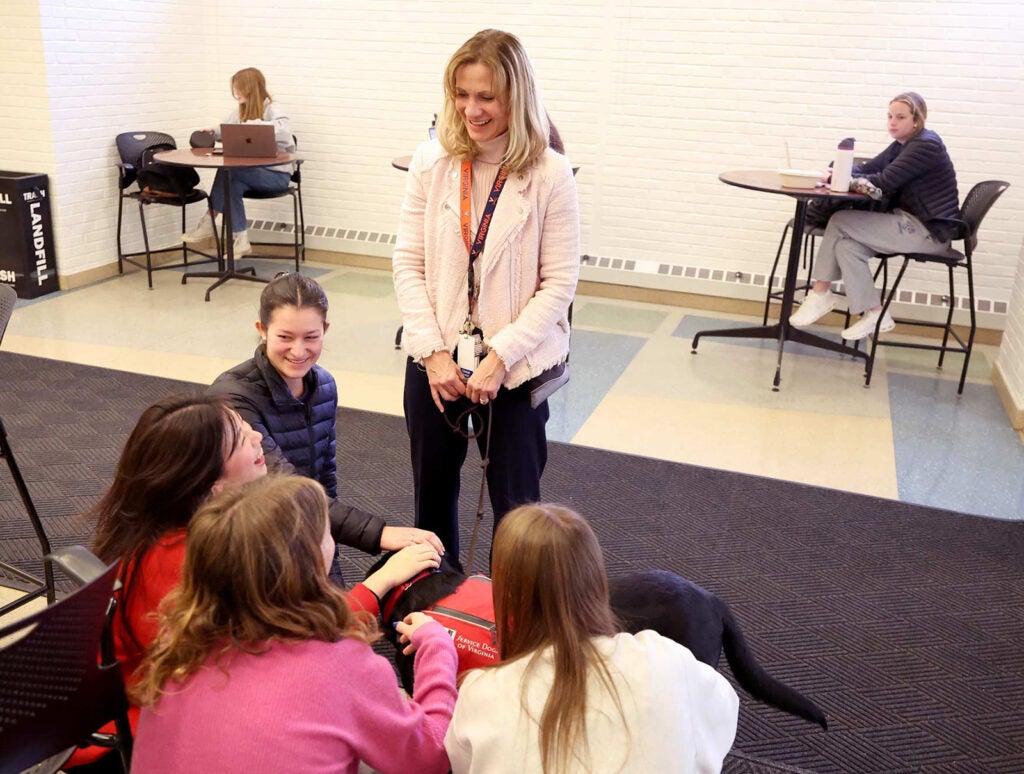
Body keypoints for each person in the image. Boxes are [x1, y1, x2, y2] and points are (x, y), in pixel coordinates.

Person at [73, 395, 440, 770]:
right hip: (133, 740)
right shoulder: (196, 559)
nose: (255, 436)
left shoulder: (163, 536)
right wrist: (381, 585)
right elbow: (292, 638)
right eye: (238, 438)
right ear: (213, 484)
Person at [393, 29, 580, 563]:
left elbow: (558, 284)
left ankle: (515, 625)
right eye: (461, 94)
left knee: (518, 515)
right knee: (431, 504)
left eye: (487, 97)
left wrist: (501, 356)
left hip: (515, 368)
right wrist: (432, 353)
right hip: (437, 363)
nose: (471, 110)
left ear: (516, 97)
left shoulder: (549, 172)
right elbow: (408, 262)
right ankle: (431, 619)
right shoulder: (432, 163)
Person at [132, 475, 458, 774]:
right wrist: (437, 650)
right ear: (311, 562)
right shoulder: (344, 663)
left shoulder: (176, 644)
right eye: (326, 534)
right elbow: (428, 759)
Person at [444, 504, 739, 773]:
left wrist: (435, 651)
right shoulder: (665, 659)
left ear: (506, 594)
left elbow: (457, 764)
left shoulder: (481, 692)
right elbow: (722, 716)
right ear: (597, 580)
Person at [209, 273, 443, 561]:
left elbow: (324, 479)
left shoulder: (324, 386)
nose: (298, 351)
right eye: (284, 337)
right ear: (262, 329)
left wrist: (325, 550)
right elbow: (279, 484)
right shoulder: (234, 395)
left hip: (307, 524)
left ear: (325, 329)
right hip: (249, 542)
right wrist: (379, 533)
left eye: (311, 337)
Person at [789, 92, 960, 341]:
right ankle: (876, 314)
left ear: (917, 119)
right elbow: (869, 169)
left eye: (900, 117)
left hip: (928, 232)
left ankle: (820, 292)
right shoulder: (902, 145)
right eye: (890, 116)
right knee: (847, 247)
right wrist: (837, 170)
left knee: (839, 220)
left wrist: (843, 179)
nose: (892, 122)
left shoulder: (926, 145)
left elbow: (883, 182)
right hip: (906, 223)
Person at [182, 67, 295, 258]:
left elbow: (283, 131)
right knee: (231, 182)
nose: (236, 93)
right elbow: (226, 128)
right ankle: (241, 240)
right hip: (249, 175)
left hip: (276, 176)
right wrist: (211, 132)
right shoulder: (241, 111)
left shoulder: (273, 111)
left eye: (239, 88)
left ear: (250, 88)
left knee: (230, 172)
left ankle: (210, 219)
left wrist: (254, 125)